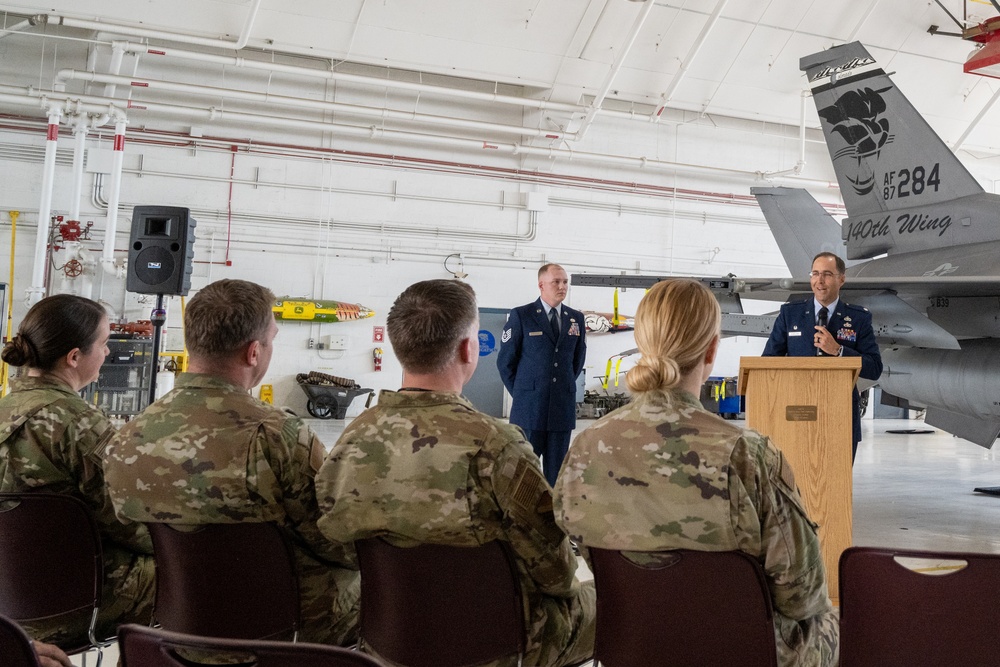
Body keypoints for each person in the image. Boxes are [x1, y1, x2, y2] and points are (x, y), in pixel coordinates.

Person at [554, 278, 838, 667]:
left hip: (635, 641)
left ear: (642, 344)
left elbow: (574, 554)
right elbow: (802, 595)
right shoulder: (747, 456)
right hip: (739, 650)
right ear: (711, 350)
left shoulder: (586, 448)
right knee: (833, 623)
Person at [316, 279, 595, 667]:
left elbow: (338, 548)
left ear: (399, 349)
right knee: (608, 598)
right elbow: (557, 574)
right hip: (500, 644)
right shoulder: (498, 446)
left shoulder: (350, 442)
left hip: (391, 636)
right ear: (468, 349)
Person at [104, 279, 359, 645]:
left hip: (181, 624)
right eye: (272, 340)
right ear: (254, 352)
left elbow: (134, 535)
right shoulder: (278, 436)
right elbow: (336, 542)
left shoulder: (126, 438)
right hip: (289, 627)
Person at [0, 294, 155, 647]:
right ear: (74, 357)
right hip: (76, 600)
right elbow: (128, 522)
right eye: (104, 343)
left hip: (7, 606)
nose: (108, 353)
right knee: (209, 575)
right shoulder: (79, 424)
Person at [762, 252, 882, 461]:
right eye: (815, 274)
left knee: (837, 484)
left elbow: (874, 368)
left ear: (841, 279)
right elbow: (769, 360)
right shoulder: (791, 314)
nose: (819, 281)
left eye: (827, 274)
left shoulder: (858, 318)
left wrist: (839, 351)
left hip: (840, 413)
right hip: (796, 410)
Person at [497, 263, 586, 486]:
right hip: (529, 411)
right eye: (556, 281)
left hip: (560, 411)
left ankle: (553, 518)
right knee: (524, 475)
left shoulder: (576, 319)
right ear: (541, 285)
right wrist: (524, 393)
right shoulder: (522, 316)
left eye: (565, 281)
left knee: (557, 478)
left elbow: (576, 362)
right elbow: (505, 363)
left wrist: (558, 389)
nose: (562, 286)